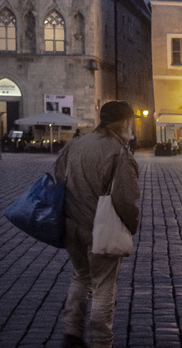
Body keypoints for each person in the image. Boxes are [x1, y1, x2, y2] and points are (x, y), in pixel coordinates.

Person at [53, 101, 140, 348]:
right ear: (124, 122)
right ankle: (101, 341)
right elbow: (125, 198)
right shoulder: (118, 152)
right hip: (100, 229)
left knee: (81, 277)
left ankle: (72, 334)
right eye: (131, 122)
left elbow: (59, 178)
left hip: (71, 226)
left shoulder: (76, 144)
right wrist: (132, 225)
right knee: (103, 285)